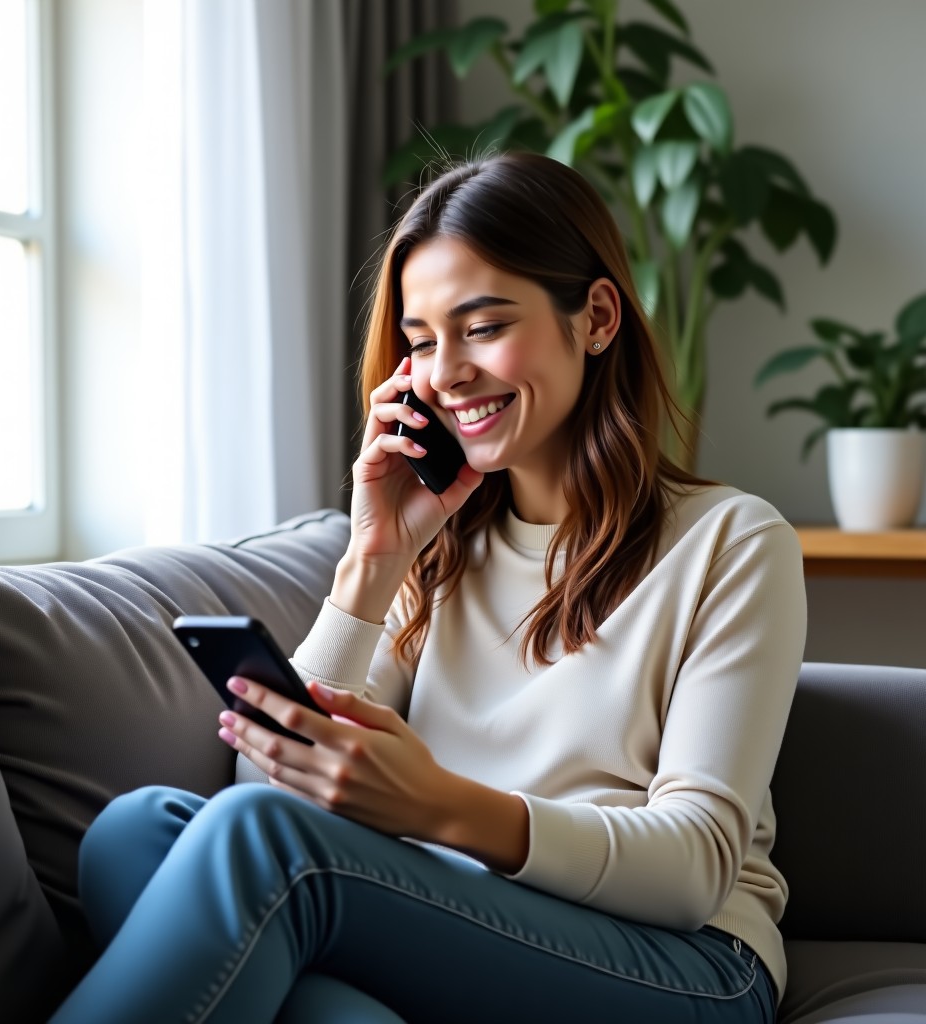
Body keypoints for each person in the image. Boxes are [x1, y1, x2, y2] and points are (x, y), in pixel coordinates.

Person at [49, 151, 805, 1024]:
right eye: (419, 342)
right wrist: (374, 559)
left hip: (687, 964)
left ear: (596, 317)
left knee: (258, 852)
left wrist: (439, 806)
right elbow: (267, 789)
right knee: (134, 834)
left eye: (483, 327)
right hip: (473, 918)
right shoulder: (441, 548)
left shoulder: (732, 541)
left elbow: (694, 867)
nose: (444, 372)